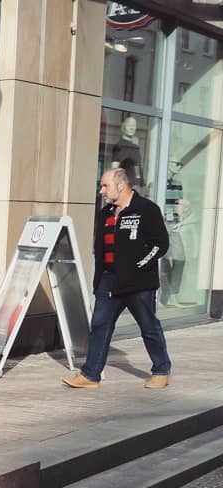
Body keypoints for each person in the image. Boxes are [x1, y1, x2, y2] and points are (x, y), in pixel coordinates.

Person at [62, 167, 172, 390]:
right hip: (109, 281)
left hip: (139, 283)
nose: (101, 191)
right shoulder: (105, 214)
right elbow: (101, 251)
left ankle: (162, 371)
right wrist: (99, 280)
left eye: (105, 186)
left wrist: (139, 266)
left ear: (121, 185)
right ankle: (91, 375)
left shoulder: (146, 209)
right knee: (100, 325)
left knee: (148, 326)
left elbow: (160, 243)